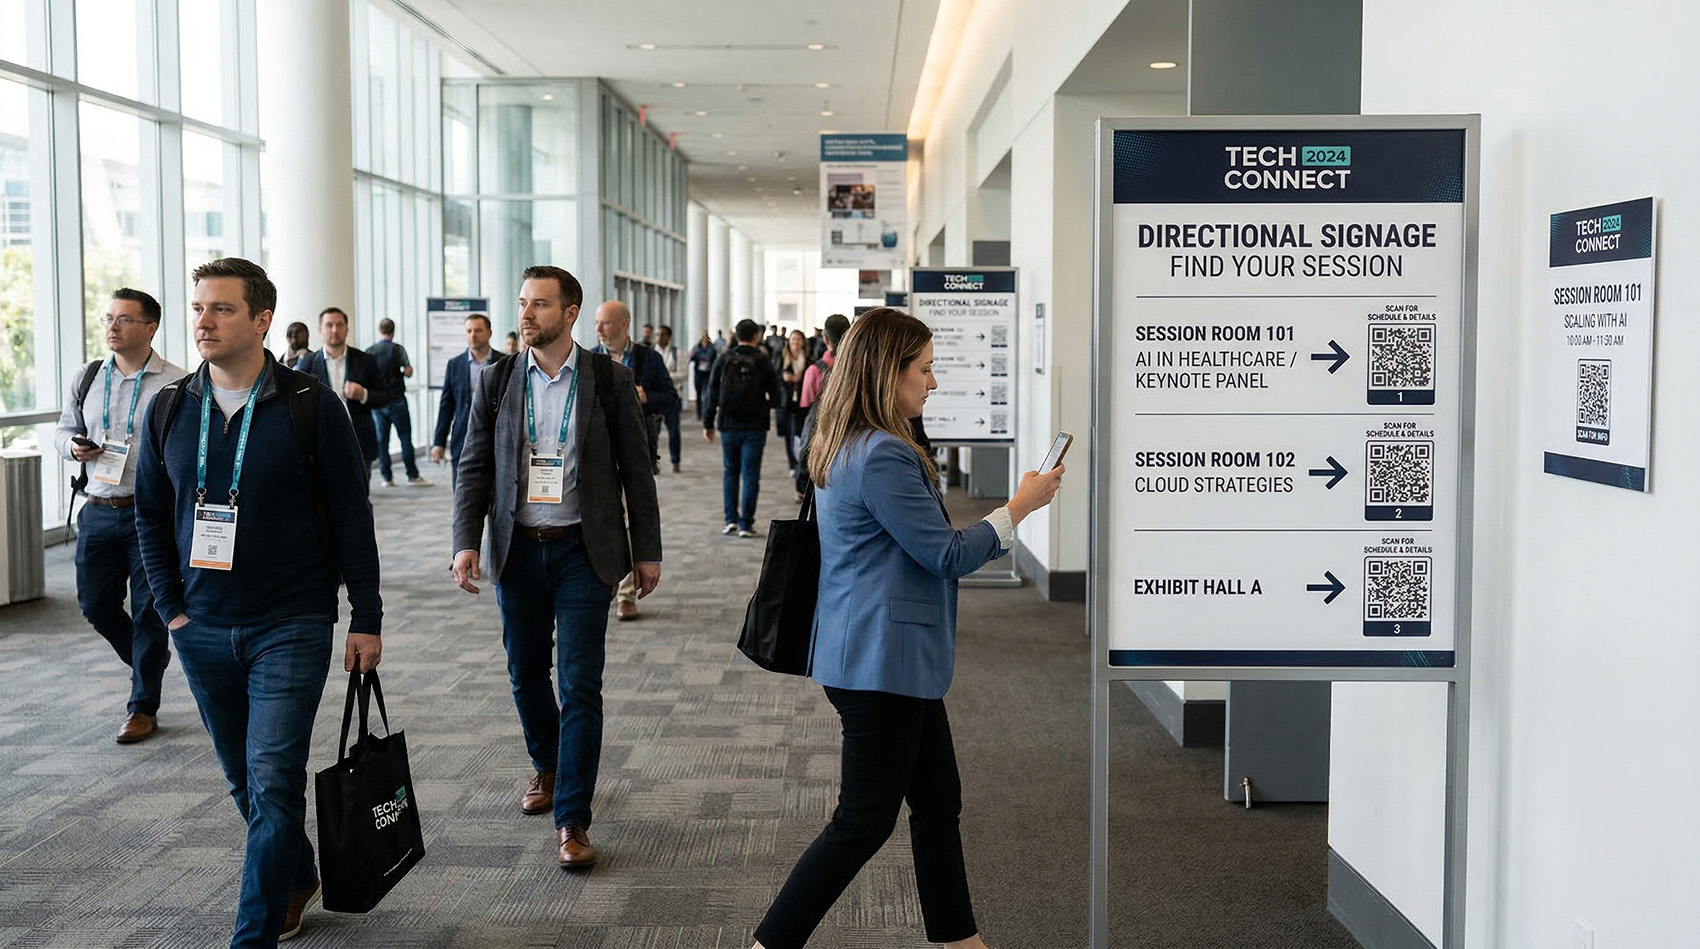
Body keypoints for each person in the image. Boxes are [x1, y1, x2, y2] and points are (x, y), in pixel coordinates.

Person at [750, 308, 1063, 949]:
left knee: (938, 801)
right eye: (924, 369)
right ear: (886, 373)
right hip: (878, 662)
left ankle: (958, 939)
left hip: (885, 654)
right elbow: (945, 554)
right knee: (862, 824)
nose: (934, 383)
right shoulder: (883, 454)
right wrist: (1018, 508)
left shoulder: (849, 439)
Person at [135, 257, 384, 947]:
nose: (204, 321)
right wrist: (172, 610)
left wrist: (366, 617)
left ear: (262, 319)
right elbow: (150, 516)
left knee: (273, 782)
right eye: (198, 308)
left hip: (291, 622)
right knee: (245, 783)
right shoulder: (169, 408)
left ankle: (252, 936)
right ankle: (296, 874)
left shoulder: (310, 405)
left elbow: (352, 517)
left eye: (221, 308)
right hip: (201, 626)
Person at [450, 265, 661, 870]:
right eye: (523, 303)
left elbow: (636, 470)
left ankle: (572, 816)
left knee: (580, 684)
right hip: (516, 549)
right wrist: (465, 541)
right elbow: (474, 466)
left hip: (582, 551)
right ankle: (548, 762)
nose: (526, 314)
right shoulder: (496, 380)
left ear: (570, 313)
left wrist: (647, 549)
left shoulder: (609, 380)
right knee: (525, 674)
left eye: (540, 304)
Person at [54, 288, 187, 744]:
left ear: (150, 327)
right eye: (109, 318)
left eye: (124, 319)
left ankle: (142, 707)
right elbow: (64, 430)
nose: (112, 327)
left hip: (148, 515)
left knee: (150, 611)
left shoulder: (175, 382)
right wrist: (72, 447)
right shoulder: (88, 376)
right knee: (95, 605)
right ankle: (149, 660)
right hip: (97, 508)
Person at [592, 299, 679, 620]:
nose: (599, 329)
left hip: (635, 454)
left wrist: (646, 397)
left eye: (605, 323)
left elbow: (670, 398)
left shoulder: (647, 359)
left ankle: (626, 595)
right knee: (599, 520)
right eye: (597, 323)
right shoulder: (589, 360)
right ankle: (602, 582)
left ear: (624, 324)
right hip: (596, 458)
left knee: (630, 522)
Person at [703, 318, 781, 538]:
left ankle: (730, 520)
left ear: (736, 336)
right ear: (756, 336)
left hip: (728, 424)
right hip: (755, 426)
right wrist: (764, 404)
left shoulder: (724, 358)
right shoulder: (762, 360)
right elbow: (777, 395)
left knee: (730, 471)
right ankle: (746, 523)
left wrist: (708, 422)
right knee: (751, 474)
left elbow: (711, 391)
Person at [296, 307, 388, 469]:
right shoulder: (308, 363)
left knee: (360, 485)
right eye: (329, 325)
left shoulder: (365, 360)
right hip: (320, 441)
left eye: (339, 325)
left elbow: (384, 396)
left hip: (358, 440)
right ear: (320, 329)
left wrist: (364, 394)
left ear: (347, 329)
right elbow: (297, 402)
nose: (334, 330)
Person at [431, 312, 494, 483]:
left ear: (489, 333)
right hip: (462, 437)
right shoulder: (455, 365)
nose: (473, 335)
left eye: (478, 330)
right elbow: (446, 406)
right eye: (469, 331)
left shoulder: (503, 362)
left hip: (494, 439)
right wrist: (439, 442)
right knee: (461, 488)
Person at [367, 317, 430, 487]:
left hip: (377, 403)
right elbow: (408, 371)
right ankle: (412, 475)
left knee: (382, 441)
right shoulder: (397, 349)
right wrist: (401, 373)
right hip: (397, 400)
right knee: (405, 437)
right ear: (393, 331)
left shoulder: (370, 351)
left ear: (380, 331)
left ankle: (387, 477)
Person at [794, 313, 851, 498]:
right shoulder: (856, 368)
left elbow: (805, 404)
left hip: (821, 435)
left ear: (825, 338)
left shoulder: (815, 370)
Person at [775, 330, 811, 476]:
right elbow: (775, 378)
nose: (795, 342)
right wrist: (785, 379)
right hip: (787, 402)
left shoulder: (809, 359)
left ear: (803, 342)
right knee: (789, 434)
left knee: (802, 432)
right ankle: (792, 463)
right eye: (793, 339)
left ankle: (802, 462)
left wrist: (799, 379)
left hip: (804, 402)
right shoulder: (783, 358)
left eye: (798, 339)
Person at [654, 324, 686, 470]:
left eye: (662, 335)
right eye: (657, 335)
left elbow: (683, 374)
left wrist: (665, 376)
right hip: (655, 397)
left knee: (674, 431)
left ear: (669, 337)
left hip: (673, 397)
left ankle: (675, 461)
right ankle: (653, 461)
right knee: (653, 432)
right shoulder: (651, 352)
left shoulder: (676, 353)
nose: (659, 338)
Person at [689, 331, 717, 419]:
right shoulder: (697, 347)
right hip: (699, 373)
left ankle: (705, 412)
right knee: (698, 393)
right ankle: (699, 413)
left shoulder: (711, 347)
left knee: (706, 393)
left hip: (707, 373)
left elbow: (712, 358)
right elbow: (692, 357)